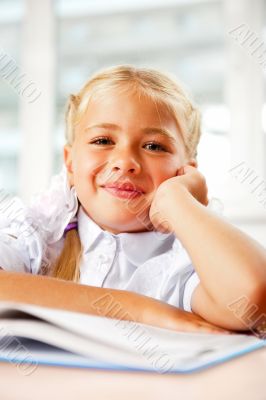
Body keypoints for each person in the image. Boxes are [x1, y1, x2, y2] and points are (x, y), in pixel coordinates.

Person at [0, 65, 265, 336]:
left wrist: (178, 200)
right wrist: (141, 310)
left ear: (186, 171)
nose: (126, 162)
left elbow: (253, 298)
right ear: (70, 162)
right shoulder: (38, 235)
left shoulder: (184, 262)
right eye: (103, 140)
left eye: (154, 146)